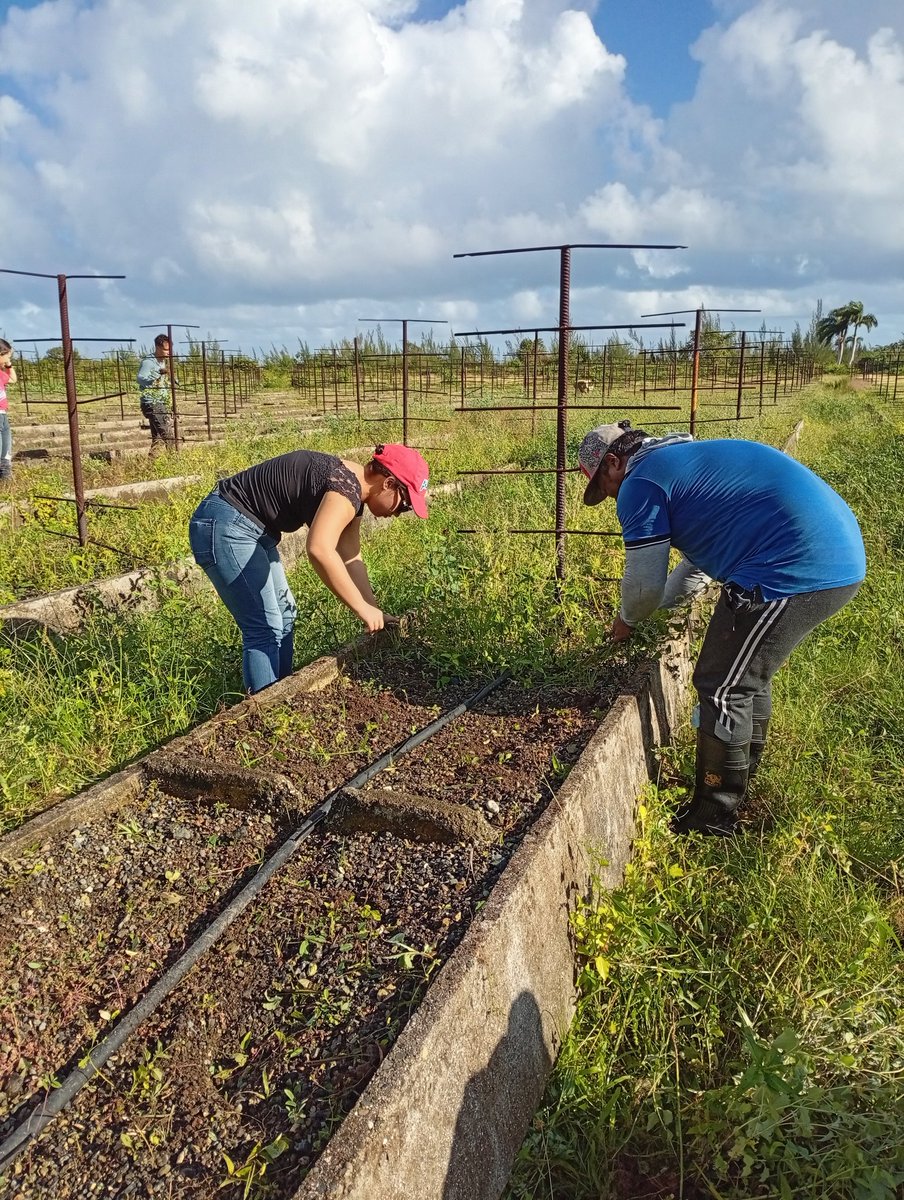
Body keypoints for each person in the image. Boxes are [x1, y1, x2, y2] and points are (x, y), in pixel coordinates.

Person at [578, 420, 866, 836]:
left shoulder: (641, 483)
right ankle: (741, 780)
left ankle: (714, 817)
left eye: (606, 489)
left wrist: (627, 621)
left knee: (723, 685)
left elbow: (643, 586)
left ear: (612, 463)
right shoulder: (680, 463)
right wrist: (657, 616)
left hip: (796, 566)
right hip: (830, 554)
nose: (613, 498)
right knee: (744, 677)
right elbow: (697, 568)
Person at [188, 444, 429, 694]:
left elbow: (351, 557)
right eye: (405, 504)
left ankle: (280, 695)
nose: (400, 513)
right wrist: (361, 608)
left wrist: (374, 611)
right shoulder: (345, 488)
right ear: (388, 483)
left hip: (252, 529)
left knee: (285, 614)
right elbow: (320, 549)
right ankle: (265, 712)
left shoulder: (353, 492)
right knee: (264, 627)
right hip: (227, 525)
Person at [137, 333, 175, 455]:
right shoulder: (148, 362)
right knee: (168, 436)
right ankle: (175, 461)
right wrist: (157, 375)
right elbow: (140, 378)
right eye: (165, 349)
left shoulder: (163, 361)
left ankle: (151, 464)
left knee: (158, 438)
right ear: (158, 347)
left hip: (161, 401)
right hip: (152, 403)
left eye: (169, 349)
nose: (168, 352)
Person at [0, 339, 16, 482]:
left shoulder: (0, 373)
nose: (8, 359)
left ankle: (5, 476)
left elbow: (13, 379)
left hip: (3, 414)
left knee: (6, 446)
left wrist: (9, 365)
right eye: (8, 356)